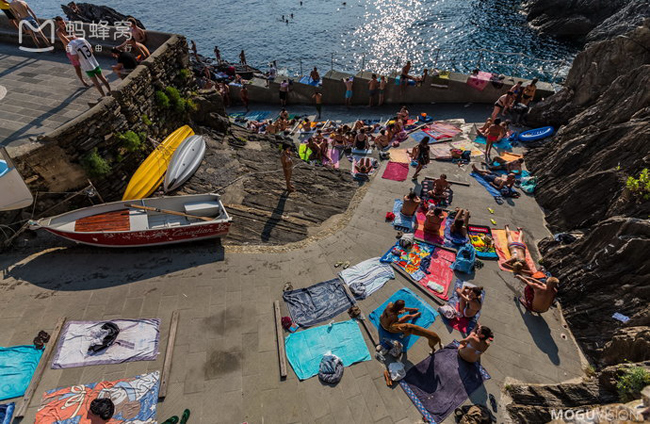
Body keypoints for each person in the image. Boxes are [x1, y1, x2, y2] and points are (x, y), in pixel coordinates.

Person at [54, 16, 90, 87]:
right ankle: (82, 80)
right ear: (58, 24)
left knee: (85, 63)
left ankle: (92, 77)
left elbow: (74, 37)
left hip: (77, 48)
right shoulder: (58, 31)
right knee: (77, 66)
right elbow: (66, 40)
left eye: (63, 22)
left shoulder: (69, 27)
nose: (63, 24)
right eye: (60, 23)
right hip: (70, 50)